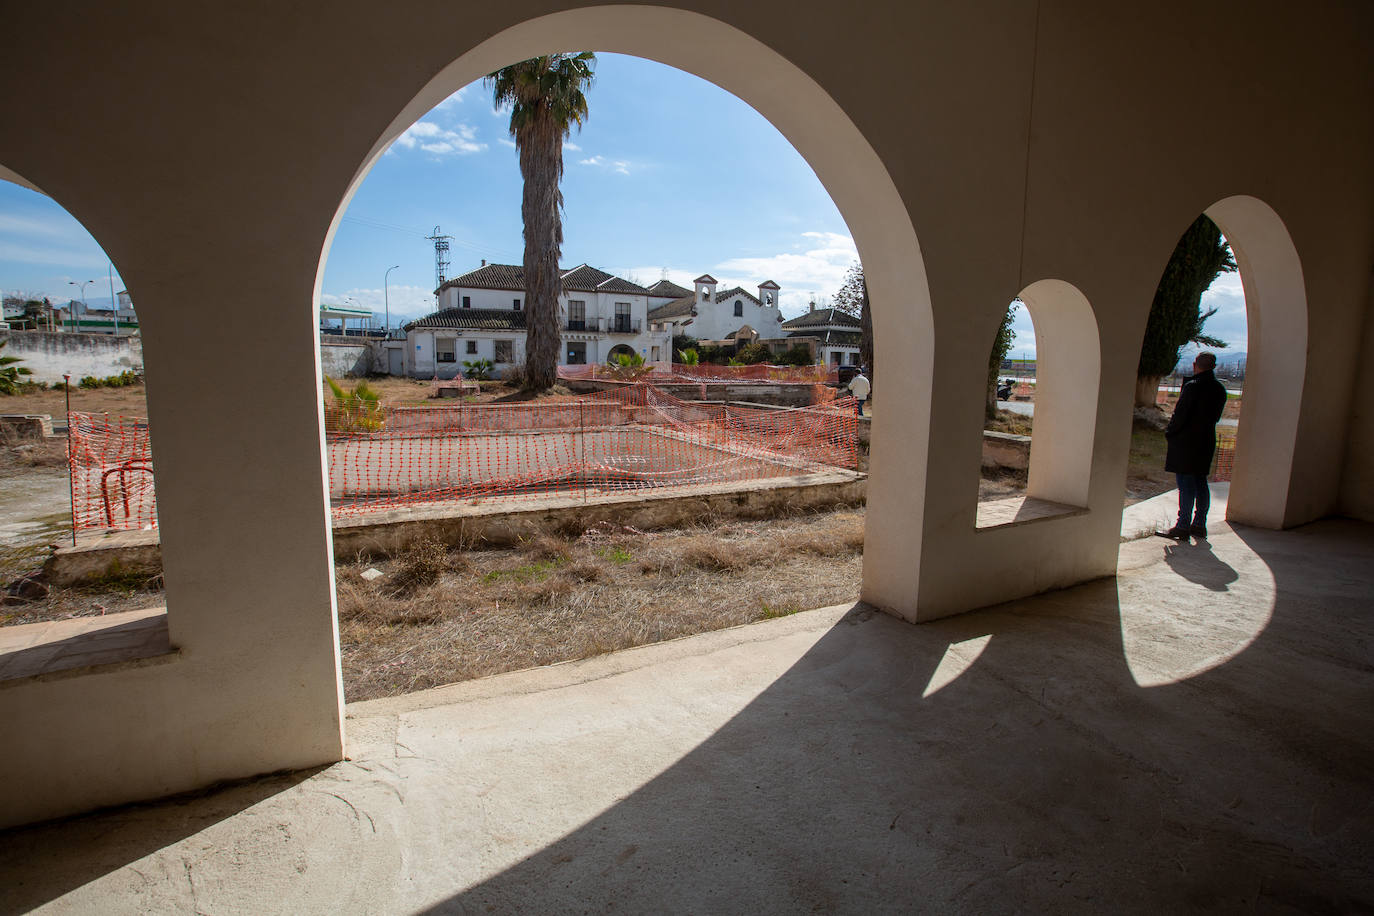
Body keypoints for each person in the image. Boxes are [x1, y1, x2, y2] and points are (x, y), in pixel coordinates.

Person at [1163, 351, 1228, 539]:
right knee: (1200, 482)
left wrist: (1170, 432)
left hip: (1186, 442)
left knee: (1186, 484)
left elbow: (1180, 415)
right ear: (1213, 367)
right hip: (1206, 440)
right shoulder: (1219, 389)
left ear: (1195, 365)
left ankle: (1182, 525)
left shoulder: (1192, 387)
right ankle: (1199, 523)